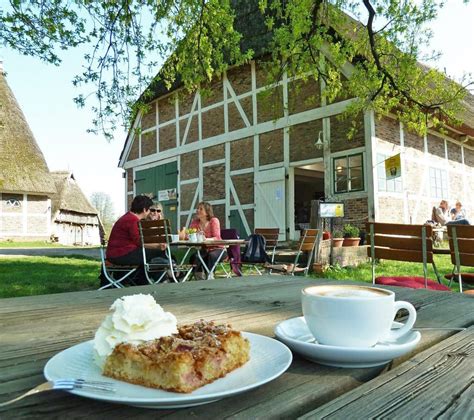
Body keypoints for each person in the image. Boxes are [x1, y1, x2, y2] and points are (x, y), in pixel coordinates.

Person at [105, 195, 166, 284]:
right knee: (158, 252)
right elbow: (139, 241)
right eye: (149, 209)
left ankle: (146, 281)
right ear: (145, 210)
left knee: (151, 255)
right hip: (120, 255)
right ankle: (166, 276)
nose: (149, 212)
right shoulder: (132, 220)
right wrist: (157, 246)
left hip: (116, 254)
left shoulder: (128, 217)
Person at [189, 201, 226, 279]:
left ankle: (209, 275)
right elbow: (191, 234)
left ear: (207, 212)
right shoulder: (195, 222)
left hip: (218, 248)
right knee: (194, 257)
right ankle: (199, 277)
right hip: (204, 249)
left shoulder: (214, 221)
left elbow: (217, 237)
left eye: (201, 209)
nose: (197, 210)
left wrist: (206, 239)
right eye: (197, 209)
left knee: (211, 255)